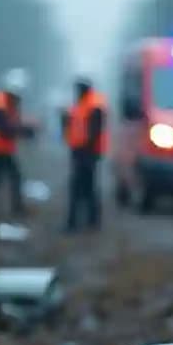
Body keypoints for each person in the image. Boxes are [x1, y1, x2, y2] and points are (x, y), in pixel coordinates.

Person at [0, 67, 36, 220]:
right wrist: (26, 130)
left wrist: (28, 129)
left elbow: (13, 125)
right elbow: (4, 128)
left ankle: (13, 207)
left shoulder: (11, 103)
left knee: (11, 177)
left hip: (4, 149)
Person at [61, 76, 108, 232]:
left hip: (88, 152)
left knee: (80, 187)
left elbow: (94, 130)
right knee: (87, 187)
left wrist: (84, 150)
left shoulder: (94, 104)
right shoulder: (81, 104)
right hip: (80, 151)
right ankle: (90, 221)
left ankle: (74, 223)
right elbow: (72, 125)